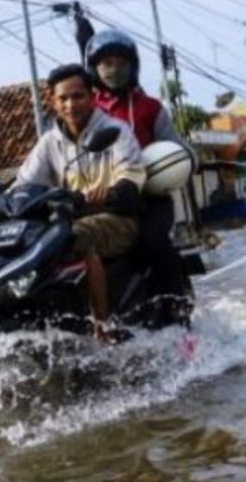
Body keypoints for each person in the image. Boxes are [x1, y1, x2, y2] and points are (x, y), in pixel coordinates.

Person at [13, 64, 146, 342]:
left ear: (93, 96)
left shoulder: (115, 131)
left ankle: (102, 326)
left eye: (78, 96)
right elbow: (24, 184)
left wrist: (110, 191)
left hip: (117, 219)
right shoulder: (50, 142)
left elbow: (130, 178)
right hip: (65, 219)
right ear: (52, 101)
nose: (70, 104)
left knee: (77, 237)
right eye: (63, 98)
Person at [82, 28, 190, 296]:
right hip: (97, 197)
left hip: (149, 197)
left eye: (122, 63)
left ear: (133, 67)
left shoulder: (150, 108)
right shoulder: (83, 110)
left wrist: (187, 159)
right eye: (107, 63)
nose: (114, 70)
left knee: (152, 240)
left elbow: (176, 147)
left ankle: (177, 306)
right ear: (94, 69)